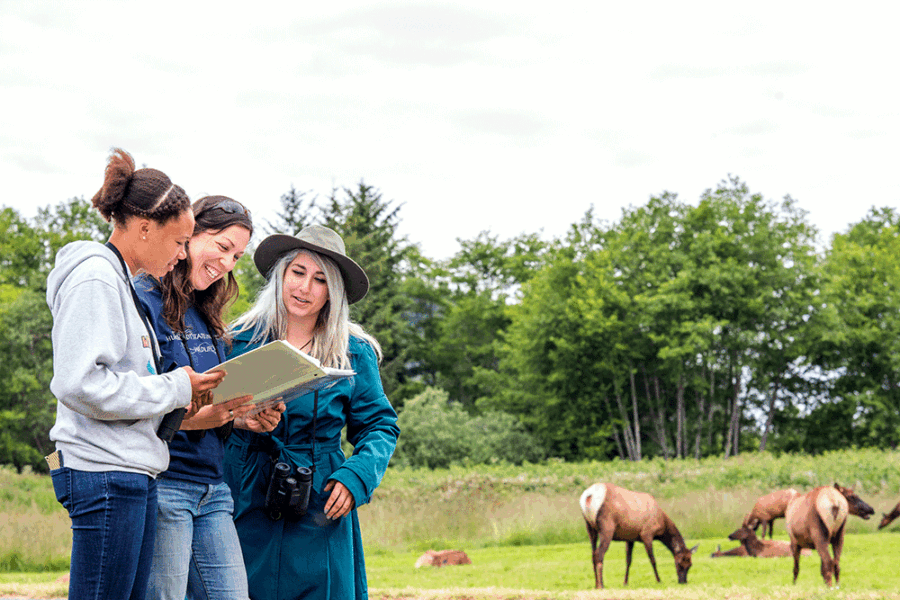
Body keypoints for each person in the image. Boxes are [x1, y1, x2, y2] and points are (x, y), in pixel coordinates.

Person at [46, 148, 225, 600]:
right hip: (105, 473)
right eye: (181, 240)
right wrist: (176, 385)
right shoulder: (96, 278)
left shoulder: (121, 284)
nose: (184, 253)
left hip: (132, 471)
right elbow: (79, 383)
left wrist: (181, 395)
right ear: (145, 227)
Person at [224, 225, 400, 600]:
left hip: (320, 493)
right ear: (281, 276)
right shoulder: (236, 340)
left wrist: (357, 477)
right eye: (298, 273)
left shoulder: (354, 351)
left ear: (332, 292)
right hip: (244, 490)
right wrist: (240, 422)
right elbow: (204, 415)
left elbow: (380, 426)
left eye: (320, 280)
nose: (305, 288)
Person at [134, 195, 286, 600]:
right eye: (222, 247)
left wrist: (241, 417)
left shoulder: (205, 310)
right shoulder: (142, 297)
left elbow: (210, 399)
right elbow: (133, 401)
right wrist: (203, 417)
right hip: (165, 483)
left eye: (236, 256)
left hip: (212, 488)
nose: (227, 263)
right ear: (189, 234)